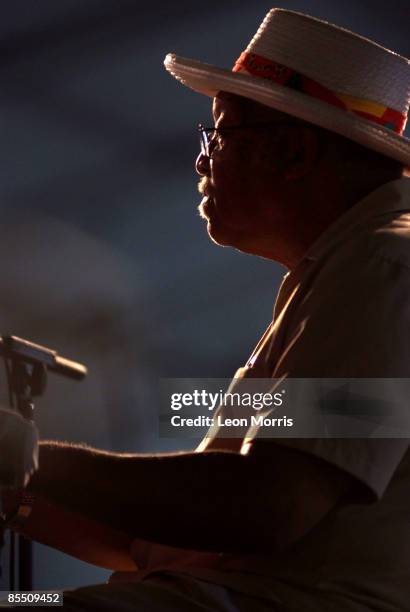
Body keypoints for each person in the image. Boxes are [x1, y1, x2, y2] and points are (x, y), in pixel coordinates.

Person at [2, 7, 410, 611]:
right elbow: (165, 542)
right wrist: (15, 492)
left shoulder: (381, 269)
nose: (202, 161)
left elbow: (266, 508)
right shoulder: (342, 276)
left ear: (293, 153)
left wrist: (32, 456)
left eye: (219, 135)